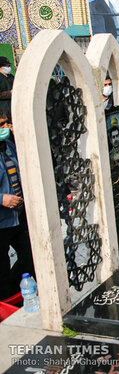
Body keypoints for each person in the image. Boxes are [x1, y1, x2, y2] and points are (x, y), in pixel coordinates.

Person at [0, 109, 35, 299]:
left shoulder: (9, 146)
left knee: (30, 257)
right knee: (1, 268)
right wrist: (1, 199)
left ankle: (19, 292)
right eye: (1, 125)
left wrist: (17, 136)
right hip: (2, 220)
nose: (5, 128)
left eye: (6, 123)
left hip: (19, 216)